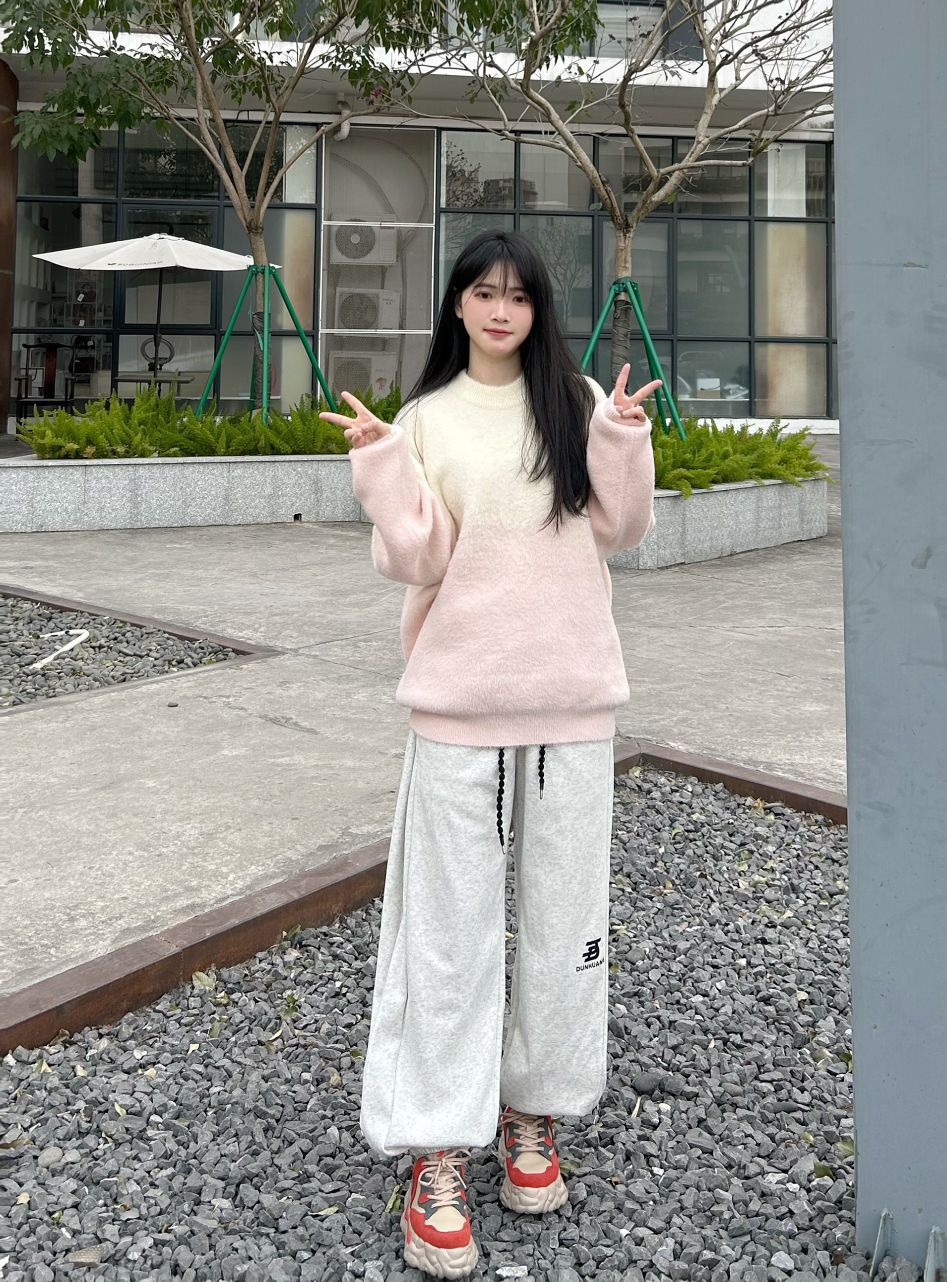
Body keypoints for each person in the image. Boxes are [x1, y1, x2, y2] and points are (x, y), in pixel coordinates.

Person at [319, 230, 660, 1280]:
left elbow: (621, 527)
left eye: (516, 294)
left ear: (536, 307)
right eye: (482, 292)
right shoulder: (425, 417)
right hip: (456, 705)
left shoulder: (573, 402)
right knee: (447, 939)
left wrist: (619, 436)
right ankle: (437, 1149)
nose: (500, 309)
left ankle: (533, 1111)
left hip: (572, 705)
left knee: (563, 927)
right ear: (458, 306)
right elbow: (414, 558)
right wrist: (382, 464)